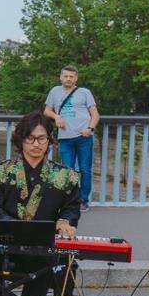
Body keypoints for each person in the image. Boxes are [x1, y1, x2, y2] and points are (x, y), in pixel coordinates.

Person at [0, 112, 81, 296]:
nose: (36, 144)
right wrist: (15, 227)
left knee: (57, 262)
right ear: (21, 140)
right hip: (4, 242)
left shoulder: (66, 176)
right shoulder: (0, 171)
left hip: (43, 247)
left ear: (49, 140)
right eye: (30, 138)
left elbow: (71, 207)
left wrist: (65, 221)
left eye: (41, 138)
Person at [43, 66, 99, 211]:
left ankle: (83, 200)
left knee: (85, 169)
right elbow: (47, 110)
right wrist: (56, 117)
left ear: (76, 78)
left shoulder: (84, 92)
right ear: (61, 77)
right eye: (66, 76)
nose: (68, 79)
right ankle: (69, 200)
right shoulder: (55, 91)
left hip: (84, 137)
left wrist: (90, 129)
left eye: (71, 76)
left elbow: (95, 114)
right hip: (65, 138)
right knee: (67, 170)